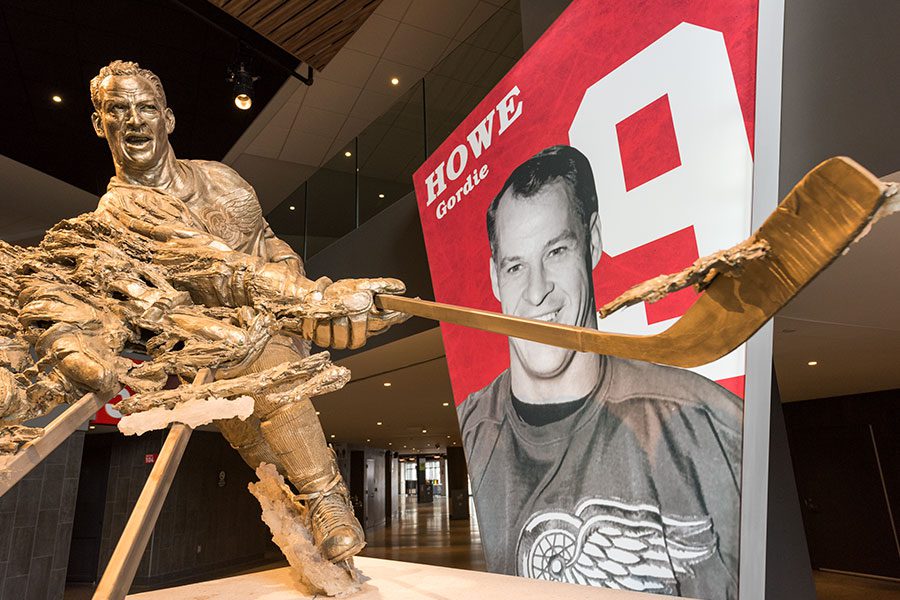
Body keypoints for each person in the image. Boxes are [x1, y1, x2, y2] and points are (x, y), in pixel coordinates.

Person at [88, 60, 406, 563]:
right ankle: (308, 513)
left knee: (274, 370)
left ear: (167, 119)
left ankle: (327, 502)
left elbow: (266, 240)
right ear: (99, 123)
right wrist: (312, 299)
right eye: (117, 109)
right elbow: (212, 266)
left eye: (145, 108)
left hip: (274, 325)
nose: (133, 121)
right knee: (257, 442)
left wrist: (301, 288)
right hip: (207, 346)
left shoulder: (219, 175)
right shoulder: (119, 212)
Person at [457, 145, 742, 598]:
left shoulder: (704, 423)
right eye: (516, 266)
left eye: (556, 251)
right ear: (495, 278)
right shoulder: (473, 424)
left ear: (591, 242)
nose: (537, 292)